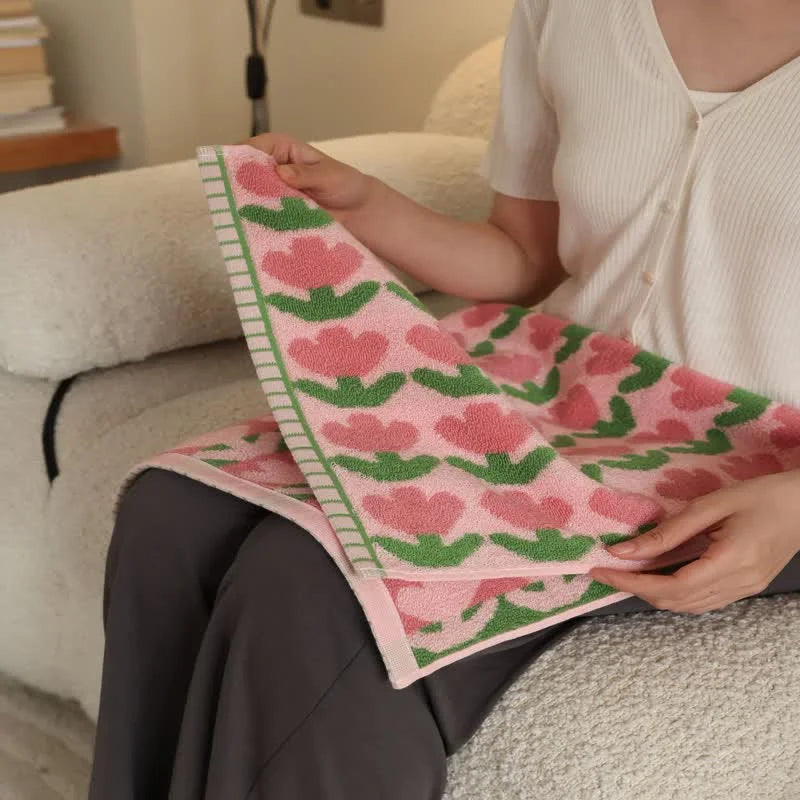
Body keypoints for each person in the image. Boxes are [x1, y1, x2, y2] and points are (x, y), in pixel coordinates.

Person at [88, 1, 800, 797]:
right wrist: (366, 206)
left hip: (760, 463)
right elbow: (527, 259)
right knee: (171, 508)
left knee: (316, 577)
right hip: (560, 392)